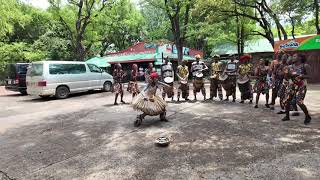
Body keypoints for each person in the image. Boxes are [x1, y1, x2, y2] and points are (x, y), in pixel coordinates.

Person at [282, 53, 311, 125]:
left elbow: (310, 76)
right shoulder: (289, 67)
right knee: (286, 100)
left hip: (301, 86)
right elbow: (286, 78)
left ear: (300, 58)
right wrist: (286, 73)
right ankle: (287, 116)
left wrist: (301, 76)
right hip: (292, 85)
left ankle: (307, 116)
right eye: (292, 56)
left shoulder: (305, 66)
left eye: (294, 56)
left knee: (299, 102)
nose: (292, 57)